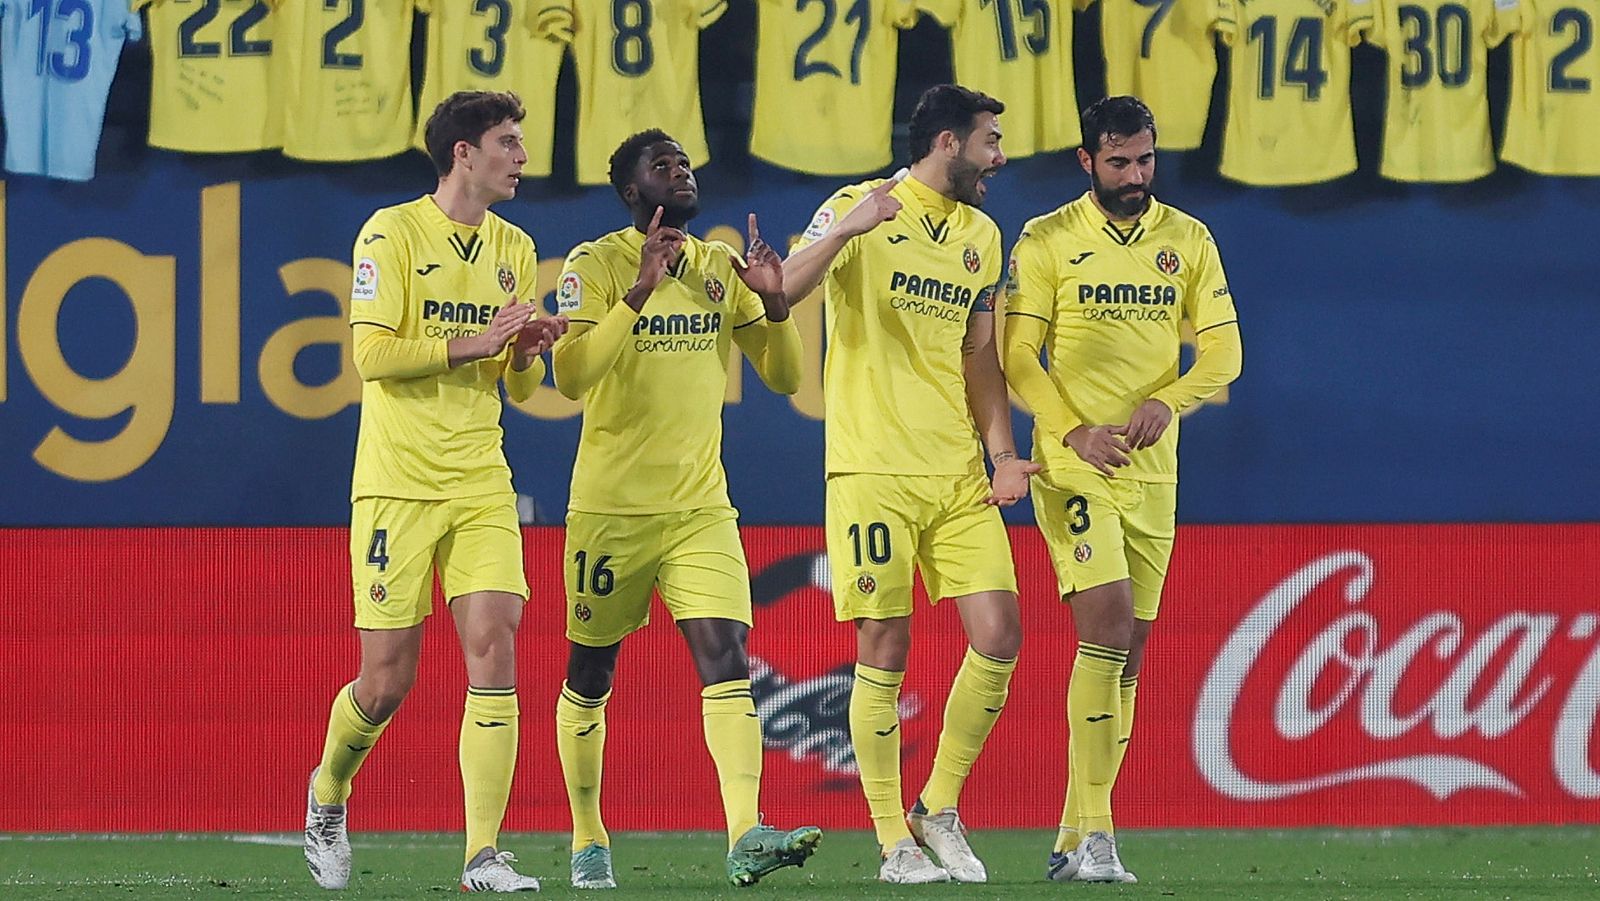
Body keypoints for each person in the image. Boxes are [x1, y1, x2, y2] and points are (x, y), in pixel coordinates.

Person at [303, 90, 569, 894]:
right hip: (396, 483)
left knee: (497, 644)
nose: (522, 156)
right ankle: (327, 792)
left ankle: (482, 854)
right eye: (508, 142)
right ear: (464, 152)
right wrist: (476, 341)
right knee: (386, 681)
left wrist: (523, 351)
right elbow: (373, 357)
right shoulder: (391, 231)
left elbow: (516, 387)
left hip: (480, 477)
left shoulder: (516, 247)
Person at [548, 129, 823, 889]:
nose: (682, 172)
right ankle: (587, 833)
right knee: (591, 671)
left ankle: (745, 832)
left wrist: (773, 305)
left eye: (687, 162)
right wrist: (637, 288)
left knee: (726, 656)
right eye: (662, 164)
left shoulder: (716, 266)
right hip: (611, 511)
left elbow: (784, 377)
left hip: (700, 507)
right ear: (632, 189)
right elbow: (570, 377)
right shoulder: (593, 265)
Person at [780, 84, 1037, 885]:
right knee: (883, 648)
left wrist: (1002, 454)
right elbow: (783, 288)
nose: (1000, 156)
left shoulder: (982, 236)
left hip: (956, 470)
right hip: (872, 469)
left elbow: (978, 357)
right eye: (991, 141)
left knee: (1000, 633)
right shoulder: (859, 204)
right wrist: (846, 231)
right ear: (951, 143)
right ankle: (893, 837)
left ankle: (939, 806)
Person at [1001, 95, 1243, 884]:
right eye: (1119, 163)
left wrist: (1166, 400)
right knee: (1103, 625)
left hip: (1151, 472)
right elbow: (1020, 355)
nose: (1136, 176)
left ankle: (1073, 835)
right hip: (1074, 464)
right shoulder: (1047, 240)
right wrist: (1071, 429)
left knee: (1131, 649)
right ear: (1087, 161)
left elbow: (1223, 353)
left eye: (1145, 160)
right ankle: (1103, 834)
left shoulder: (1189, 240)